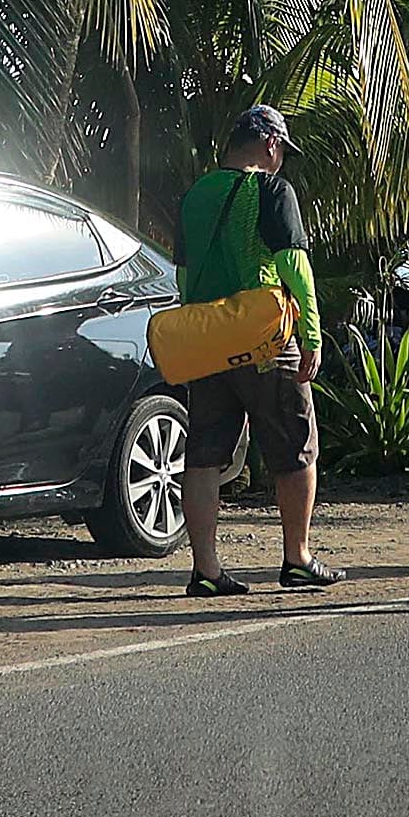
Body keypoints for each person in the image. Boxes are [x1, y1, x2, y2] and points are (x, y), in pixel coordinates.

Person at [173, 103, 340, 595]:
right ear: (270, 144)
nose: (282, 159)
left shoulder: (195, 195)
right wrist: (311, 336)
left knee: (204, 454)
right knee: (295, 446)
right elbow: (295, 269)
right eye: (282, 150)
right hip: (265, 340)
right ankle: (297, 558)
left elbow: (184, 276)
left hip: (207, 339)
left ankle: (205, 569)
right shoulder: (272, 190)